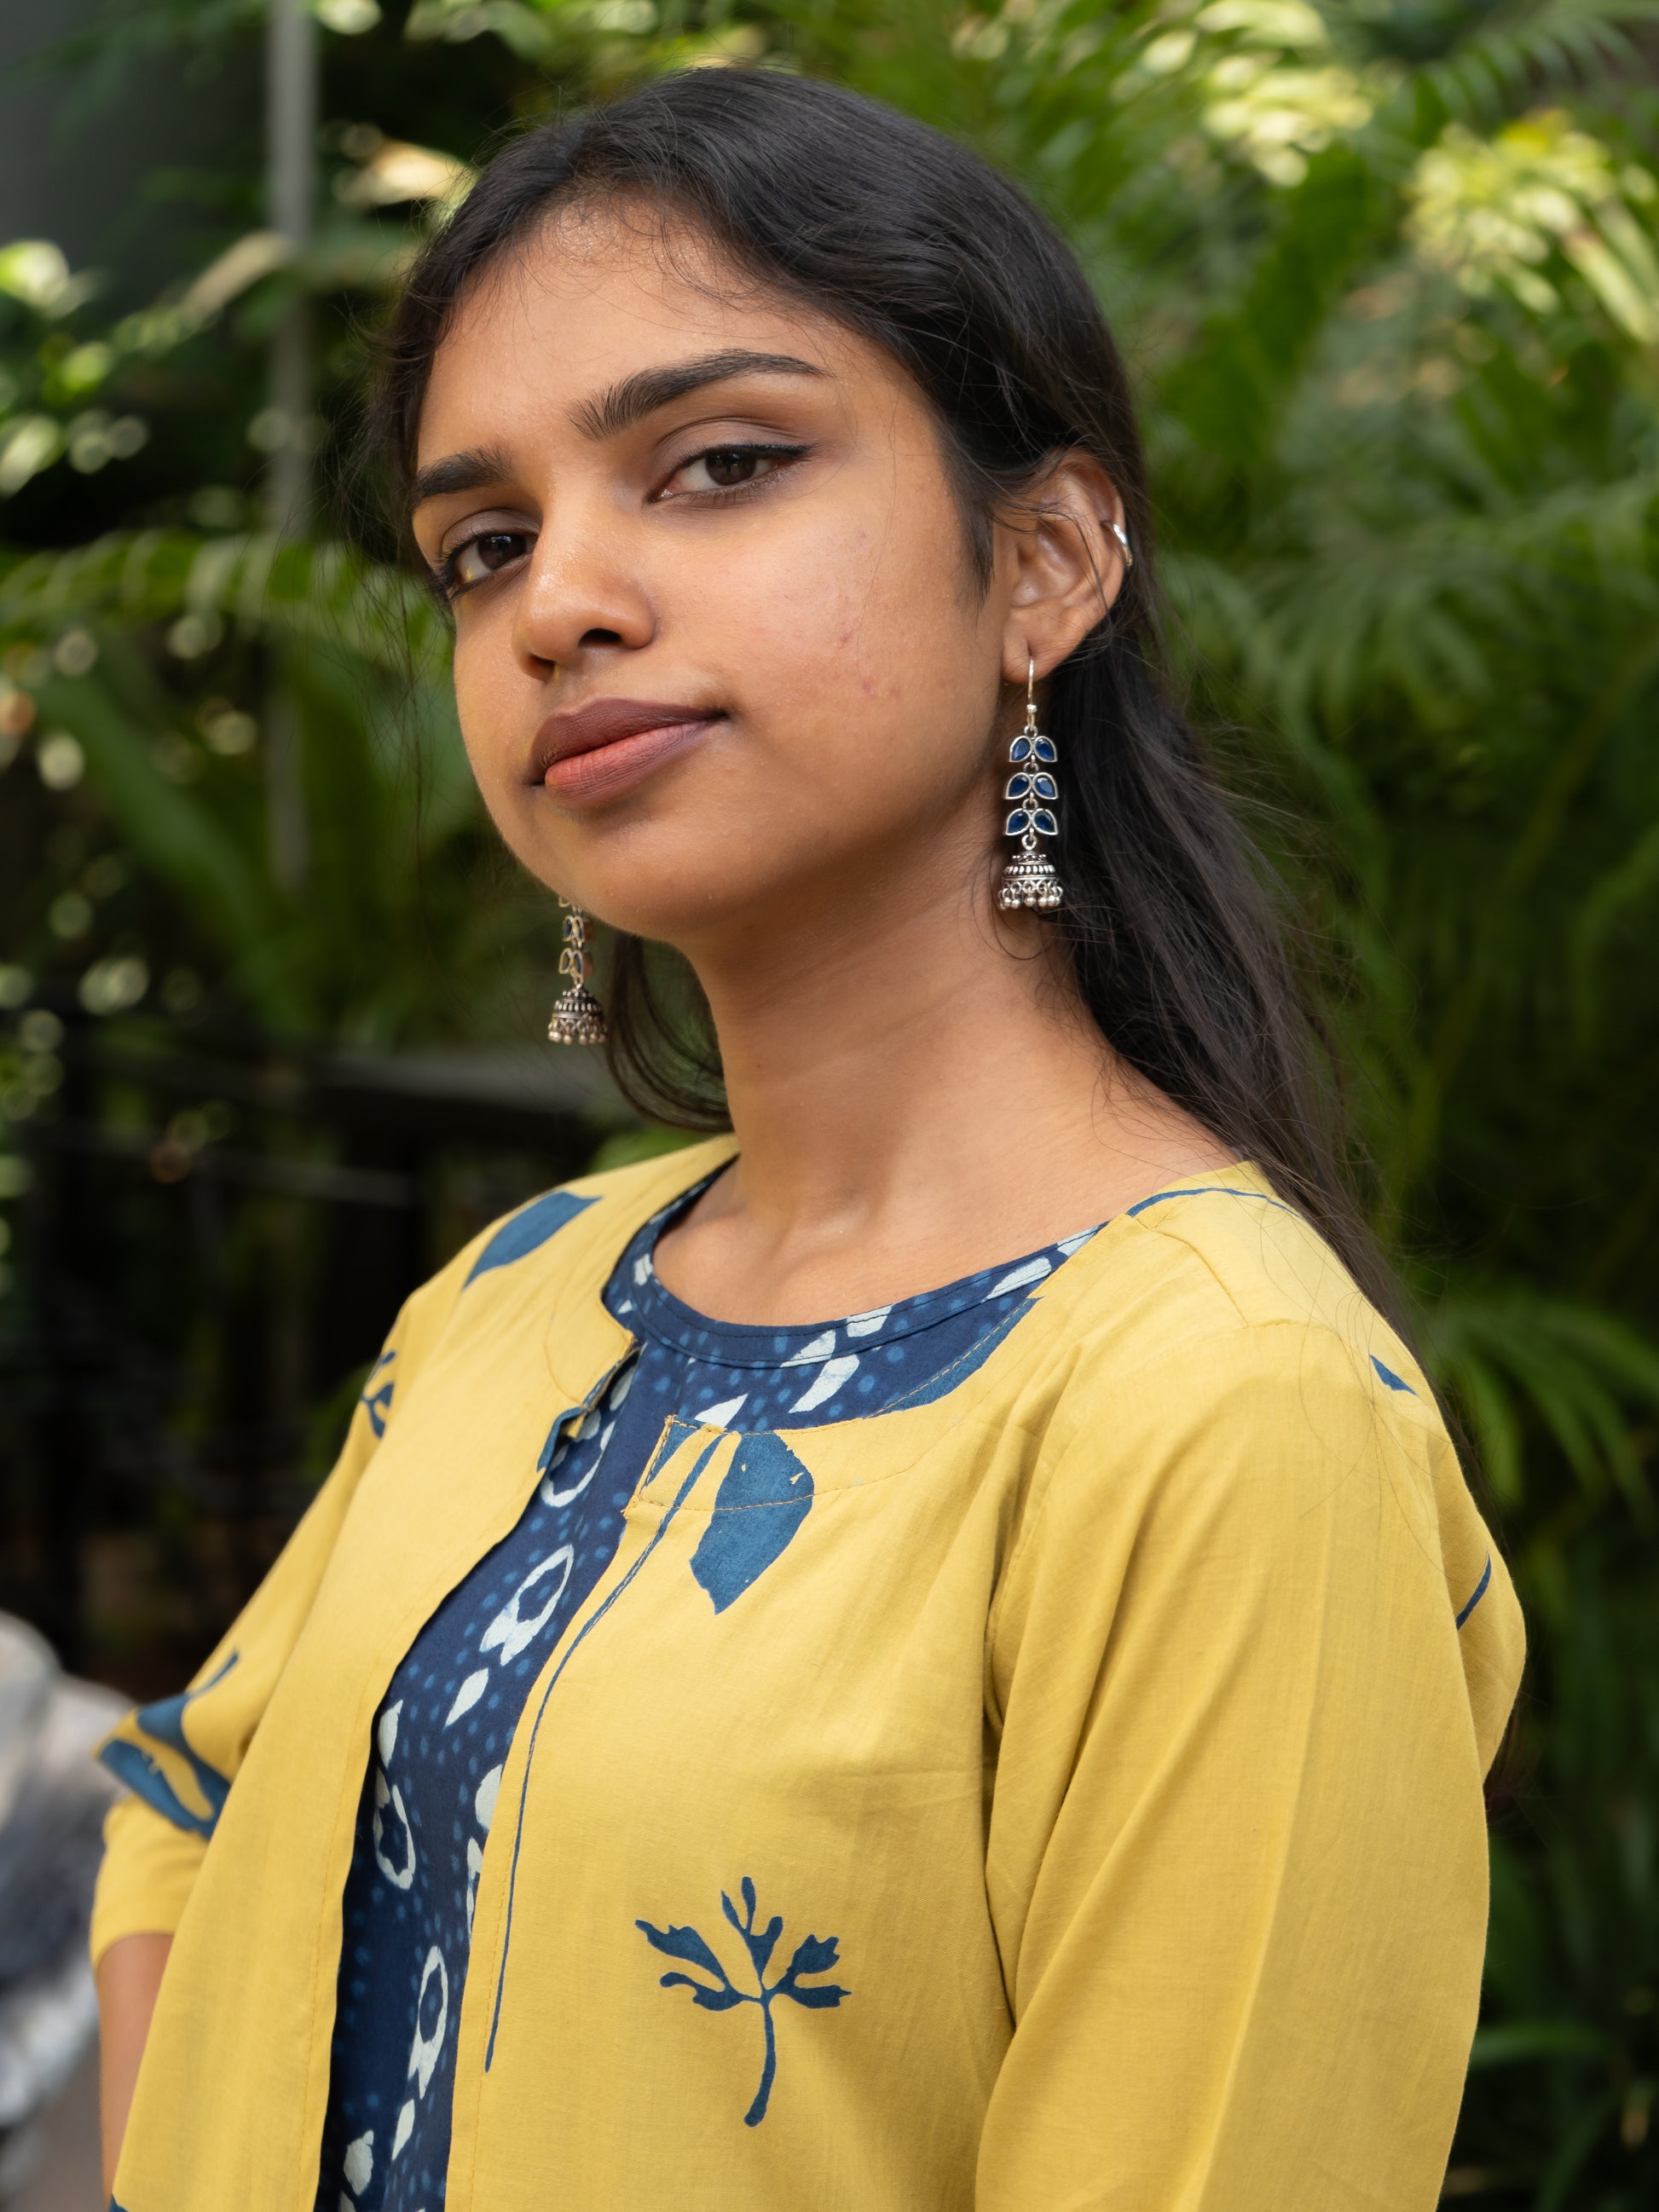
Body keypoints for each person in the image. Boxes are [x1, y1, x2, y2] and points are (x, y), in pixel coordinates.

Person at [91, 66, 1523, 2212]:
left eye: (720, 464)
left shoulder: (1219, 1403)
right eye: (483, 545)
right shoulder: (515, 1295)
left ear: (1042, 559)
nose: (559, 595)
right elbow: (186, 1798)